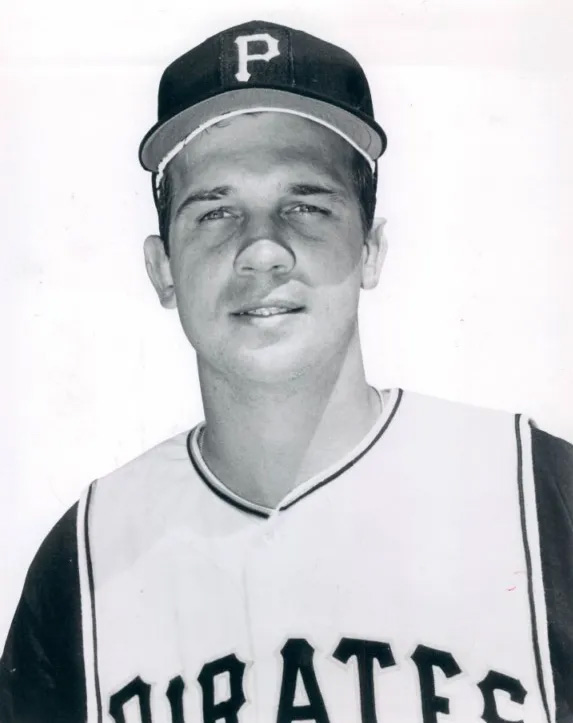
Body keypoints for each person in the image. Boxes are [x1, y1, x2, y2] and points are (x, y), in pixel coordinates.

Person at [1, 18, 571, 723]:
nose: (262, 250)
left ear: (370, 248)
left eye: (305, 206)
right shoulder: (86, 559)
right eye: (215, 211)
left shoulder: (539, 495)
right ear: (162, 267)